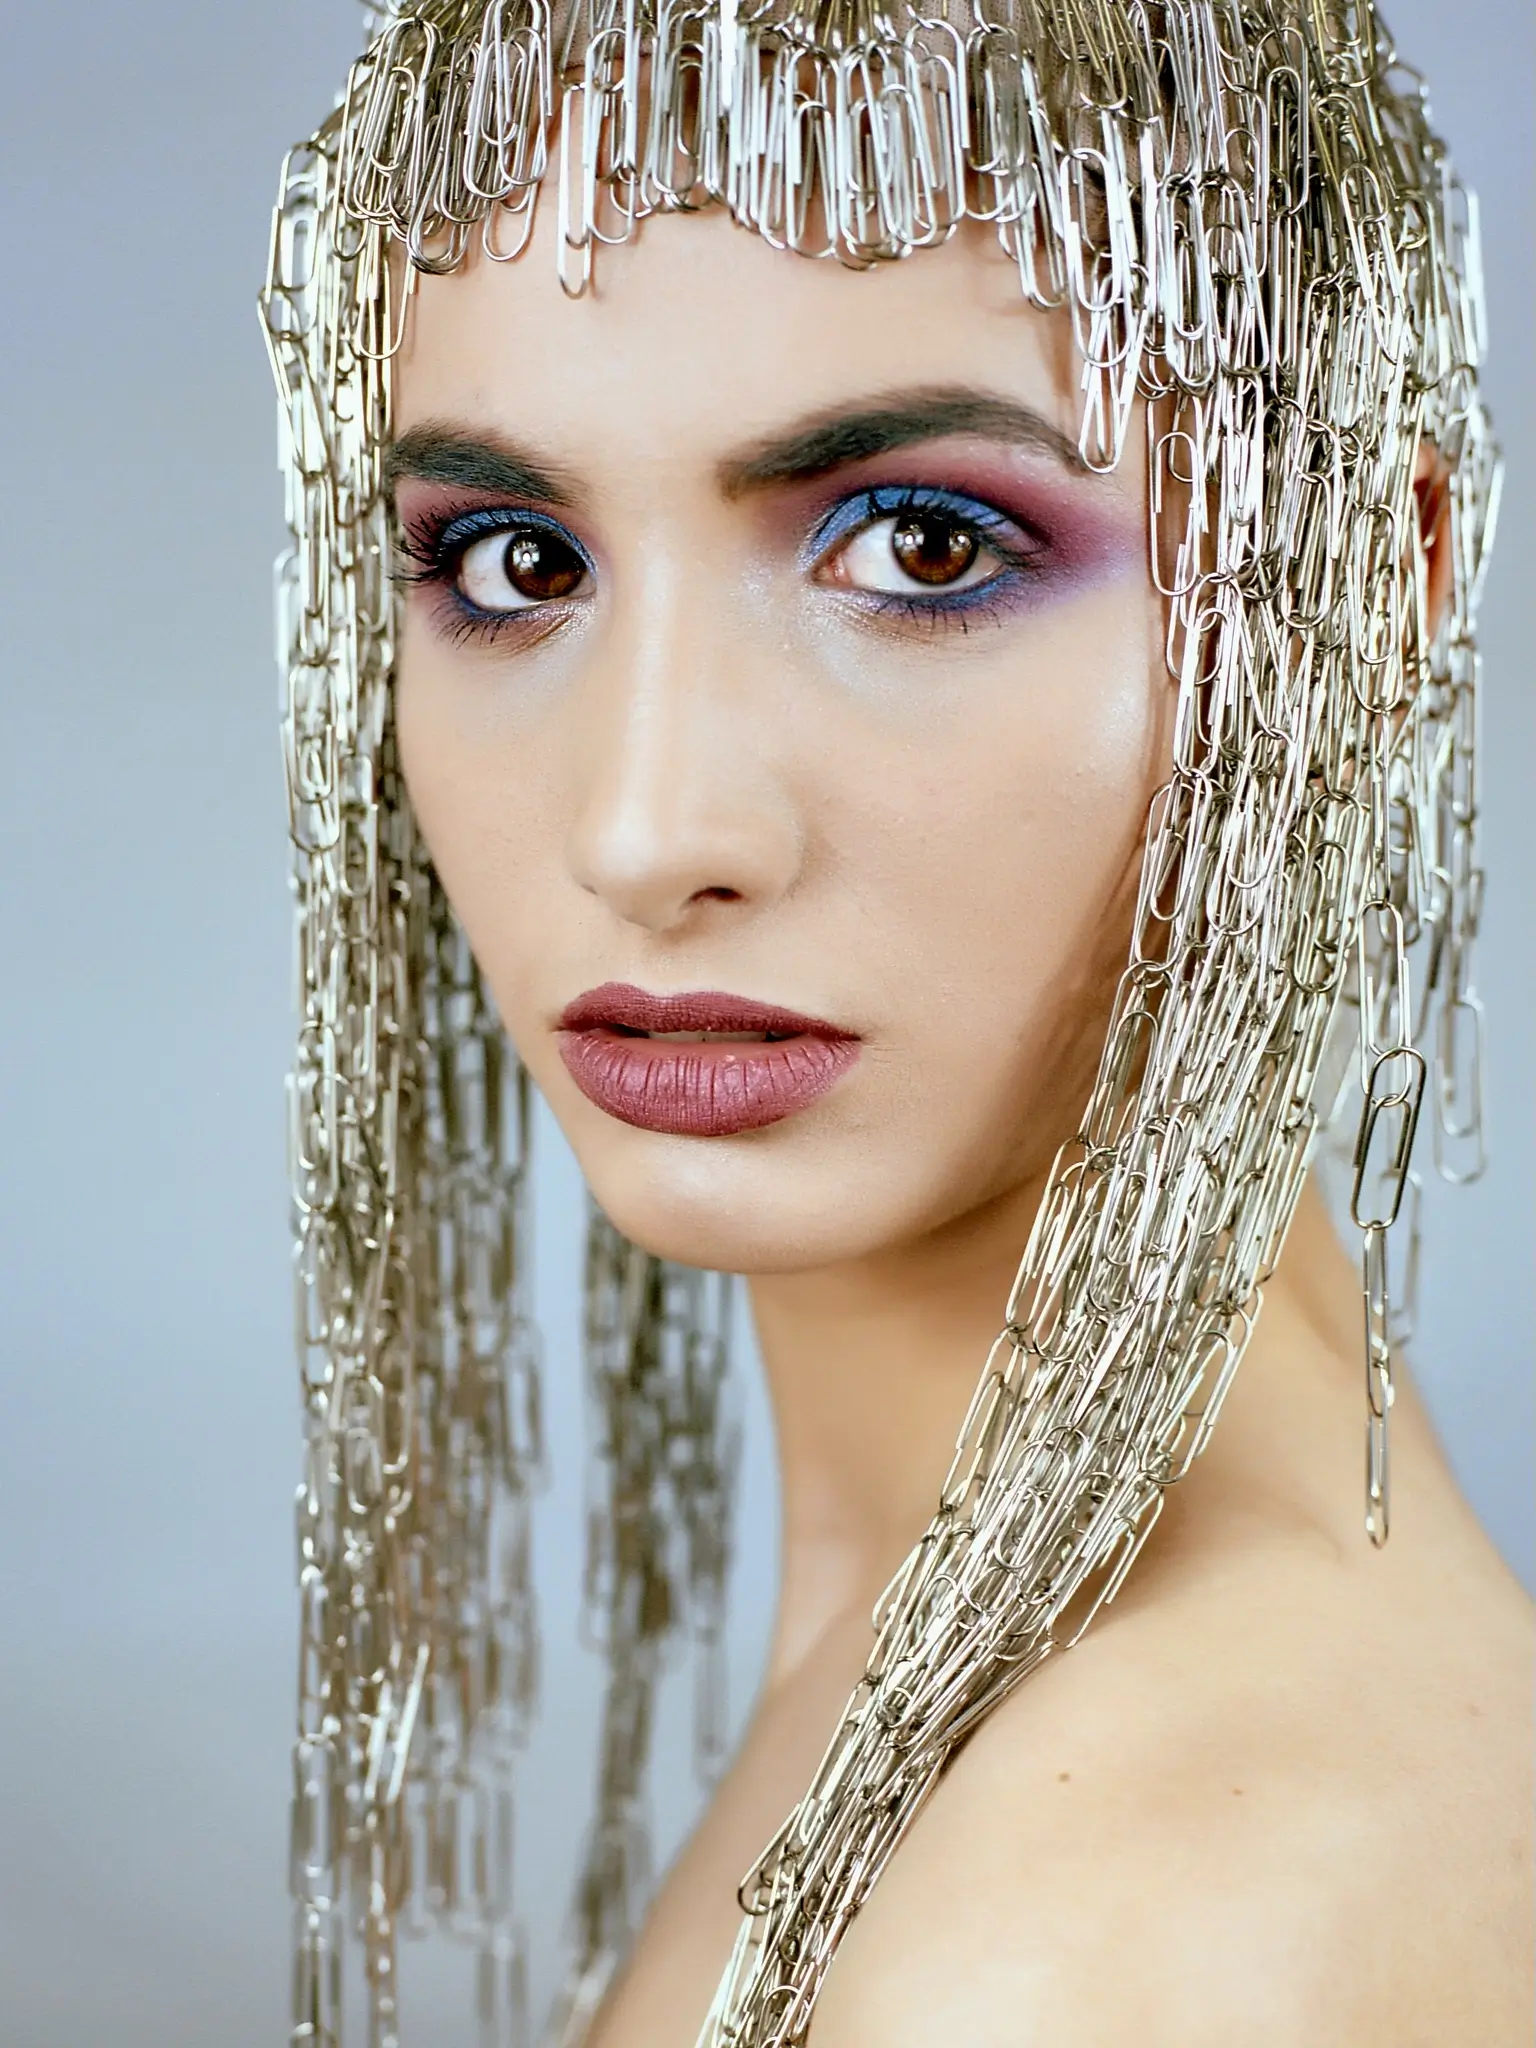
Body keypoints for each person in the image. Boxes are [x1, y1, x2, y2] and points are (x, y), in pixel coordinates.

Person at [262, 3, 1533, 2043]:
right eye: (513, 562)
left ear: (1373, 593)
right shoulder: (1033, 1679)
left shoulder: (1120, 1926)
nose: (647, 825)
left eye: (924, 546)